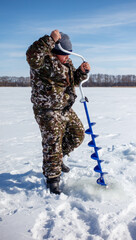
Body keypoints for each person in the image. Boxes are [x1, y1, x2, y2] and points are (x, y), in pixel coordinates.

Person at [26, 30, 91, 194]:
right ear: (55, 52)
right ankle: (52, 179)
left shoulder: (66, 63)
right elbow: (31, 55)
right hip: (47, 110)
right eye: (64, 54)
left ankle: (59, 158)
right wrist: (49, 39)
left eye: (69, 54)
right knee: (53, 144)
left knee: (77, 135)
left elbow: (72, 82)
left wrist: (81, 73)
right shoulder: (42, 61)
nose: (68, 57)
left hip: (64, 107)